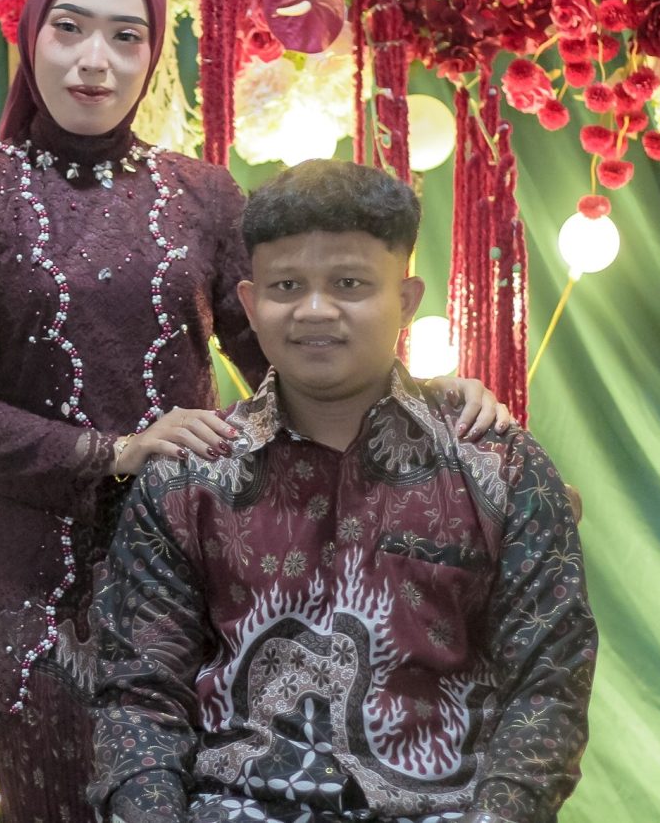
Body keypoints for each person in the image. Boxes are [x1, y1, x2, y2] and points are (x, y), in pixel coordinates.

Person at [0, 0, 508, 823]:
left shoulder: (203, 195)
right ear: (33, 36)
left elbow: (291, 358)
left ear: (153, 53)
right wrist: (117, 451)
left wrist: (432, 402)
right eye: (70, 28)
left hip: (201, 575)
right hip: (36, 586)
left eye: (127, 36)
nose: (95, 60)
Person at [87, 160, 597, 823]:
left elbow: (548, 686)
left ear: (405, 300)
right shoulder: (188, 478)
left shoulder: (498, 466)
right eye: (287, 286)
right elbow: (138, 699)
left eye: (349, 283)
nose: (315, 310)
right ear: (250, 304)